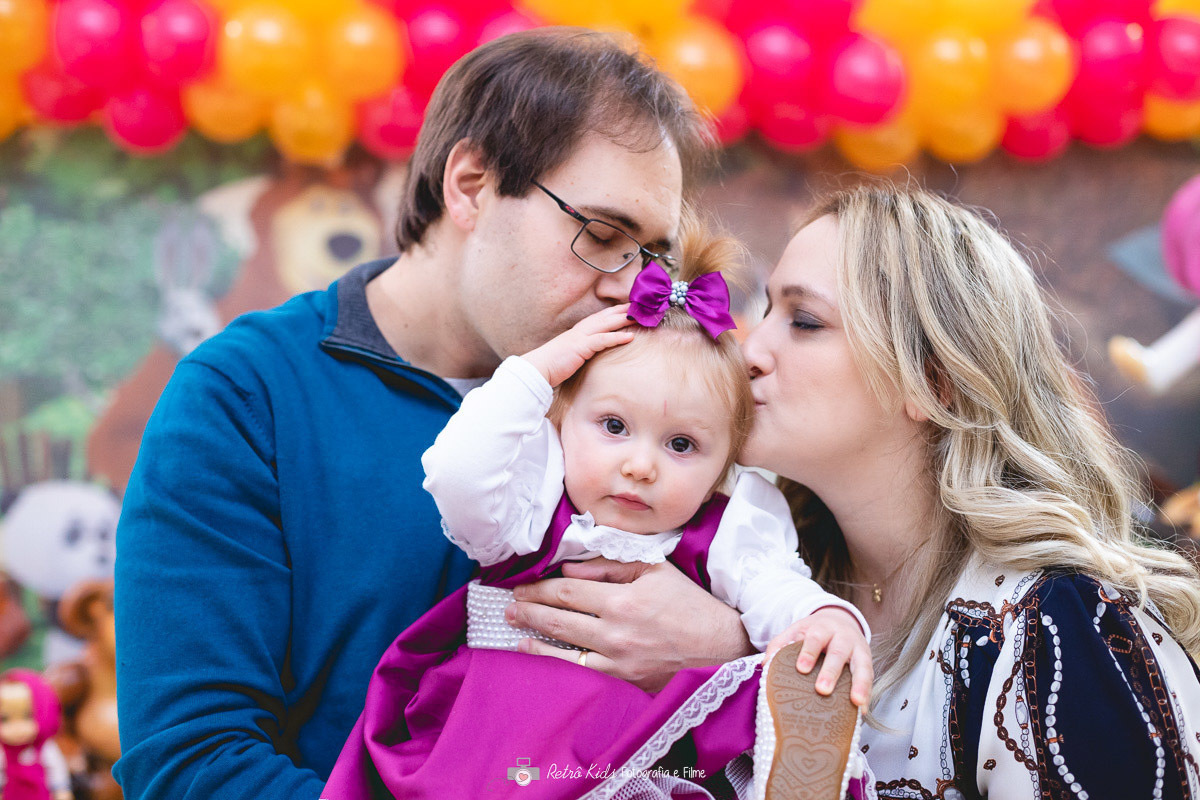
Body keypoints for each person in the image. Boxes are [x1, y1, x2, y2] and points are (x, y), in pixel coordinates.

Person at [113, 29, 762, 800]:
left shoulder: (647, 398)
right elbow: (192, 758)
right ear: (470, 185)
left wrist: (731, 642)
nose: (630, 287)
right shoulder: (247, 395)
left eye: (650, 253)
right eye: (601, 235)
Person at [321, 222, 871, 800]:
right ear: (561, 420)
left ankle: (792, 760)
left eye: (681, 445)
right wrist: (534, 374)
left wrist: (822, 619)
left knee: (708, 745)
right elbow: (455, 475)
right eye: (613, 427)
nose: (640, 466)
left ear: (725, 463)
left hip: (636, 746)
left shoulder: (724, 529)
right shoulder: (529, 507)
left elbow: (774, 587)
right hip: (497, 732)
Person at [740, 182, 1200, 798]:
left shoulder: (1061, 637)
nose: (752, 350)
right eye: (766, 311)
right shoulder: (763, 574)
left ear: (932, 382)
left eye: (804, 321)